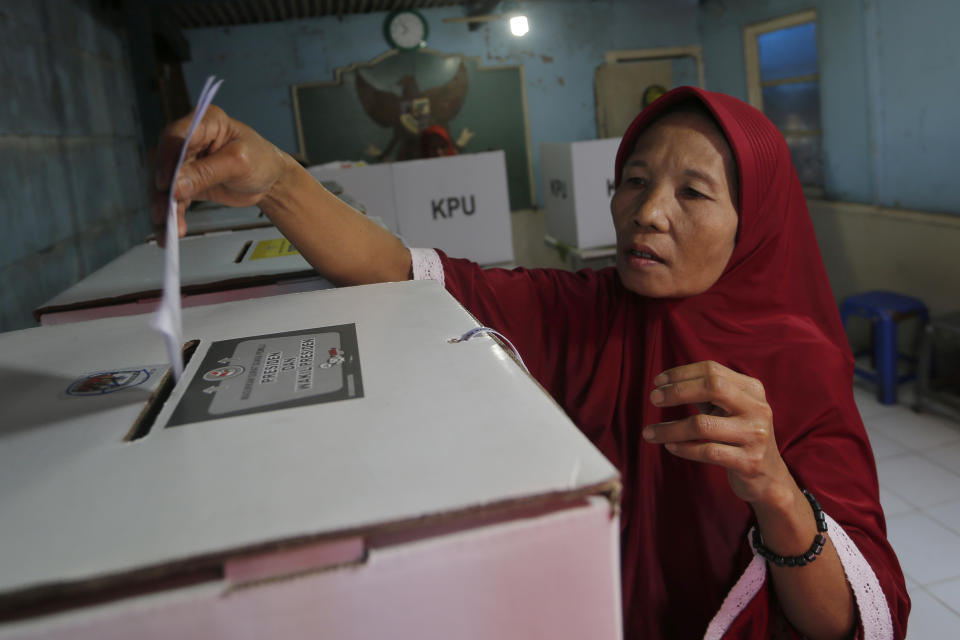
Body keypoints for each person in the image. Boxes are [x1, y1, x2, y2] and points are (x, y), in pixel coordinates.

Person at [152, 86, 909, 639]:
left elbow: (853, 622)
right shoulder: (584, 311)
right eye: (637, 181)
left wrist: (774, 488)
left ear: (756, 224)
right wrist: (280, 181)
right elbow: (405, 273)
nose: (648, 212)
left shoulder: (798, 365)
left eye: (694, 193)